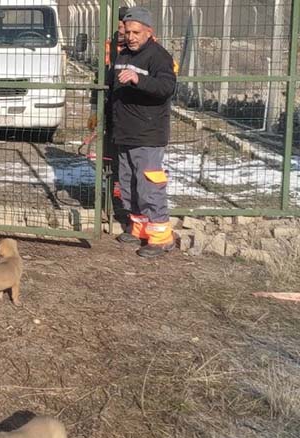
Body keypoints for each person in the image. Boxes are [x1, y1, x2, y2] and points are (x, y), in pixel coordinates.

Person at [111, 6, 177, 258]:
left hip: (148, 134)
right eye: (127, 32)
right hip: (125, 131)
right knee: (128, 183)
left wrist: (139, 80)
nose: (130, 37)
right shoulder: (123, 54)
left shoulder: (159, 56)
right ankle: (139, 226)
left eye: (136, 32)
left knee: (150, 185)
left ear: (149, 32)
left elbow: (167, 87)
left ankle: (161, 237)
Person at [88, 6, 129, 223]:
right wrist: (95, 110)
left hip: (134, 114)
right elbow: (99, 80)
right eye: (119, 27)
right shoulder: (109, 47)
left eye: (125, 27)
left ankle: (127, 203)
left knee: (131, 160)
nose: (122, 31)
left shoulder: (147, 48)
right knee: (110, 157)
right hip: (111, 110)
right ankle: (111, 200)